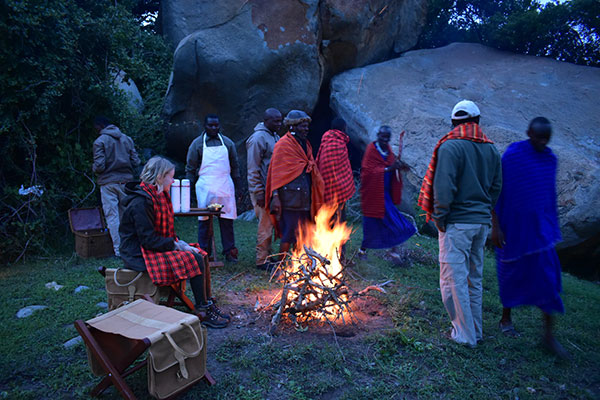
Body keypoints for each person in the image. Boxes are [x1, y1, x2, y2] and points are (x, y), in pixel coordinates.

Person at [418, 100, 502, 348]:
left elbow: (443, 188)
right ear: (477, 121)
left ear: (454, 122)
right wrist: (484, 211)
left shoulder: (450, 146)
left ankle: (464, 336)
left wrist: (440, 218)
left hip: (457, 223)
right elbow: (496, 188)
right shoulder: (492, 150)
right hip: (481, 224)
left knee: (453, 280)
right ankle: (475, 331)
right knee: (473, 279)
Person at [119, 156, 229, 328]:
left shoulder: (157, 196)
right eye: (170, 176)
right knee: (194, 259)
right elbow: (148, 240)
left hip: (150, 246)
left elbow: (162, 232)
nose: (172, 180)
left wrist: (179, 243)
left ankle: (206, 303)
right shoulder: (140, 203)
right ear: (160, 177)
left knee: (199, 253)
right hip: (138, 253)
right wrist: (176, 245)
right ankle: (202, 310)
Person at [491, 117, 568, 358]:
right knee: (510, 274)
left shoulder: (550, 159)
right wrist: (496, 226)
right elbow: (497, 189)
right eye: (539, 137)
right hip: (512, 230)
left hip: (540, 233)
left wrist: (549, 225)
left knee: (549, 281)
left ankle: (548, 336)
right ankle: (506, 319)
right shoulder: (513, 155)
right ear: (528, 133)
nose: (543, 142)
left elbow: (546, 195)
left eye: (547, 139)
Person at [265, 110, 324, 255]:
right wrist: (276, 197)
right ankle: (281, 263)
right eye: (302, 126)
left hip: (305, 198)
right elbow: (276, 174)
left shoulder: (305, 144)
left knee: (304, 233)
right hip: (290, 199)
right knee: (288, 233)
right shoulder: (283, 144)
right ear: (292, 126)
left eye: (306, 126)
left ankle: (298, 263)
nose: (306, 129)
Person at [186, 114, 240, 262]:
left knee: (227, 220)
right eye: (211, 125)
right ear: (205, 126)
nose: (214, 128)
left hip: (225, 185)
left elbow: (235, 166)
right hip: (205, 187)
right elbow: (190, 168)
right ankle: (205, 252)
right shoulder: (197, 144)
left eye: (216, 125)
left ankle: (229, 251)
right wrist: (189, 190)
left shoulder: (228, 144)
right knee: (204, 221)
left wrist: (239, 186)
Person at [359, 126, 416, 261]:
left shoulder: (388, 151)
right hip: (373, 195)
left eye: (387, 138)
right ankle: (362, 251)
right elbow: (368, 172)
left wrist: (399, 166)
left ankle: (393, 250)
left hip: (385, 195)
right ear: (378, 135)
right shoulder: (371, 150)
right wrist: (389, 168)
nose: (384, 140)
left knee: (394, 221)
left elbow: (392, 166)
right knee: (371, 224)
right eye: (382, 137)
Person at [92, 116, 140, 257]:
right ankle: (131, 246)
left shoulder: (100, 142)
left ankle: (119, 250)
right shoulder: (126, 139)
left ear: (99, 126)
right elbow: (136, 161)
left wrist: (93, 167)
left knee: (112, 217)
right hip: (126, 182)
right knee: (127, 215)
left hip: (108, 183)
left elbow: (99, 166)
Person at [246, 108, 282, 270]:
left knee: (272, 223)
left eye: (280, 120)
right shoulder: (258, 138)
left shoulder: (274, 135)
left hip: (273, 189)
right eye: (276, 121)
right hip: (262, 189)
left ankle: (269, 255)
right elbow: (253, 168)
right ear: (266, 120)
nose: (279, 123)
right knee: (265, 225)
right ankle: (261, 260)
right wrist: (258, 192)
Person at [316, 117, 356, 219]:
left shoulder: (326, 141)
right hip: (338, 187)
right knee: (337, 216)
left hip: (326, 185)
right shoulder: (338, 144)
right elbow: (342, 168)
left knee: (333, 215)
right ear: (344, 128)